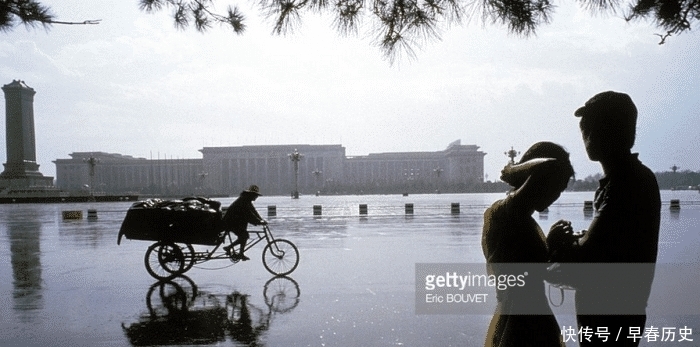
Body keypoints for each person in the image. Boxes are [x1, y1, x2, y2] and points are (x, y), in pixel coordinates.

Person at [547, 91, 660, 346]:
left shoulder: (626, 183)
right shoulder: (628, 179)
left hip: (612, 319)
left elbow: (587, 257)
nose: (585, 135)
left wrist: (556, 243)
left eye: (588, 127)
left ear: (606, 131)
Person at [482, 141, 574, 347]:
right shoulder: (506, 212)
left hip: (529, 317)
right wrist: (512, 170)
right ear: (540, 180)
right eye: (556, 187)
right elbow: (551, 166)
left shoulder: (520, 217)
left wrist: (552, 244)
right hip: (520, 324)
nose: (556, 196)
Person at [223, 185, 267, 261]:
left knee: (243, 236)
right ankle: (233, 250)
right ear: (252, 195)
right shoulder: (243, 201)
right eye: (256, 195)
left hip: (236, 222)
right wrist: (258, 222)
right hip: (230, 222)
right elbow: (248, 214)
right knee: (244, 235)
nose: (256, 197)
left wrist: (261, 219)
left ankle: (235, 251)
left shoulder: (246, 200)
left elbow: (253, 211)